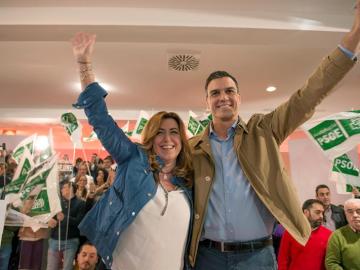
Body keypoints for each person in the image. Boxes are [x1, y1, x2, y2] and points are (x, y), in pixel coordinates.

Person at [188, 4, 360, 269]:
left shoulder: (263, 131)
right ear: (206, 102)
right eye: (215, 93)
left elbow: (309, 95)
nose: (223, 97)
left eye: (230, 91)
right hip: (207, 257)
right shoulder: (192, 149)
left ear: (239, 98)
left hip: (257, 256)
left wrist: (353, 37)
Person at [71, 32, 194, 270]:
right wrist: (84, 64)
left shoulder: (188, 182)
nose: (167, 139)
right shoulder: (133, 159)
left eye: (174, 132)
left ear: (182, 140)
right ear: (151, 137)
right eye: (160, 131)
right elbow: (100, 120)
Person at [278, 199, 332, 270]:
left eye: (322, 213)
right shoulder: (291, 232)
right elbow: (283, 260)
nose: (321, 216)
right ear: (306, 212)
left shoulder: (329, 234)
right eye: (317, 212)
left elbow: (331, 262)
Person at [46, 179, 86, 270]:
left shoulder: (81, 203)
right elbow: (49, 216)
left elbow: (79, 222)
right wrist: (49, 220)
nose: (61, 190)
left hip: (71, 241)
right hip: (54, 240)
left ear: (71, 188)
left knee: (67, 268)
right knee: (51, 267)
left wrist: (65, 218)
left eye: (64, 187)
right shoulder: (57, 202)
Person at [325, 198, 360, 269]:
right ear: (345, 214)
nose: (355, 215)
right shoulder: (337, 236)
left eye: (358, 211)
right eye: (350, 212)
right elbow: (331, 263)